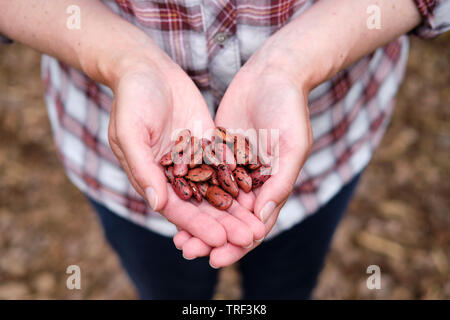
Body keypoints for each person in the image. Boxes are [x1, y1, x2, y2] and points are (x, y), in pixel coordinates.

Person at [1, 0, 448, 299]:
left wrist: (296, 64)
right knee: (170, 290)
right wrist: (120, 60)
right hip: (120, 162)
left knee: (287, 285)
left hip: (326, 144)